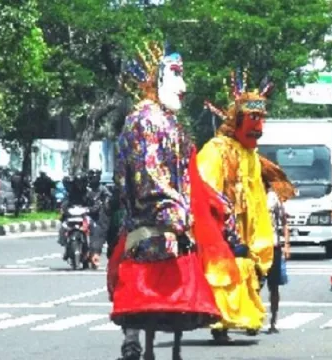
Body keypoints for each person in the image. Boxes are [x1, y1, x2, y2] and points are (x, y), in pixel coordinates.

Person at [106, 42, 223, 360]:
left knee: (169, 318)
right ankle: (140, 347)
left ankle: (148, 348)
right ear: (154, 79)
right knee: (155, 311)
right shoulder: (147, 122)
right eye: (176, 75)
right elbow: (151, 180)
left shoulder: (164, 120)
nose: (183, 87)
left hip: (167, 235)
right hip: (157, 236)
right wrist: (178, 214)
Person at [198, 70, 295, 342]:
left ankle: (246, 318)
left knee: (249, 271)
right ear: (237, 119)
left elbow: (256, 198)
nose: (259, 127)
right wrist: (224, 227)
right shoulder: (216, 149)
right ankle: (221, 322)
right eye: (254, 119)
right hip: (223, 230)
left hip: (247, 232)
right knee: (225, 273)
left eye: (262, 120)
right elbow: (206, 190)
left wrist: (259, 237)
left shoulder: (251, 155)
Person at [264, 181, 290, 333]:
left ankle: (273, 320)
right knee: (254, 286)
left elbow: (284, 222)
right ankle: (254, 319)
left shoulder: (274, 198)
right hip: (255, 247)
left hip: (273, 245)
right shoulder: (249, 195)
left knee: (273, 287)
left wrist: (286, 244)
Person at [58, 173, 96, 261]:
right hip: (72, 215)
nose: (79, 185)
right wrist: (64, 209)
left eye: (81, 182)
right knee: (63, 226)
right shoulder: (71, 193)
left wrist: (91, 209)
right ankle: (65, 246)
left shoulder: (88, 192)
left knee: (94, 227)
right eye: (78, 183)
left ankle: (92, 249)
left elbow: (94, 203)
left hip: (85, 215)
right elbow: (65, 203)